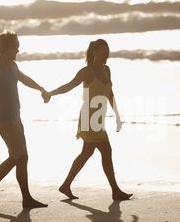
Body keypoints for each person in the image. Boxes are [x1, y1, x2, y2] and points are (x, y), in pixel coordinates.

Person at [47, 39, 132, 201]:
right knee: (106, 151)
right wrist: (51, 93)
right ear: (93, 53)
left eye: (107, 53)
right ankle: (115, 191)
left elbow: (110, 93)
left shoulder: (107, 70)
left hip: (98, 119)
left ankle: (65, 185)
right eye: (102, 54)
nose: (105, 57)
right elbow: (69, 86)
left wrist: (117, 115)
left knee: (87, 153)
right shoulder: (87, 72)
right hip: (88, 119)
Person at [0, 30, 50, 209]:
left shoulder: (12, 66)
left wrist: (41, 88)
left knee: (17, 157)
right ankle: (25, 199)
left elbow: (24, 79)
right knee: (21, 157)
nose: (19, 49)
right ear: (7, 48)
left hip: (15, 119)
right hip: (4, 121)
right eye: (16, 45)